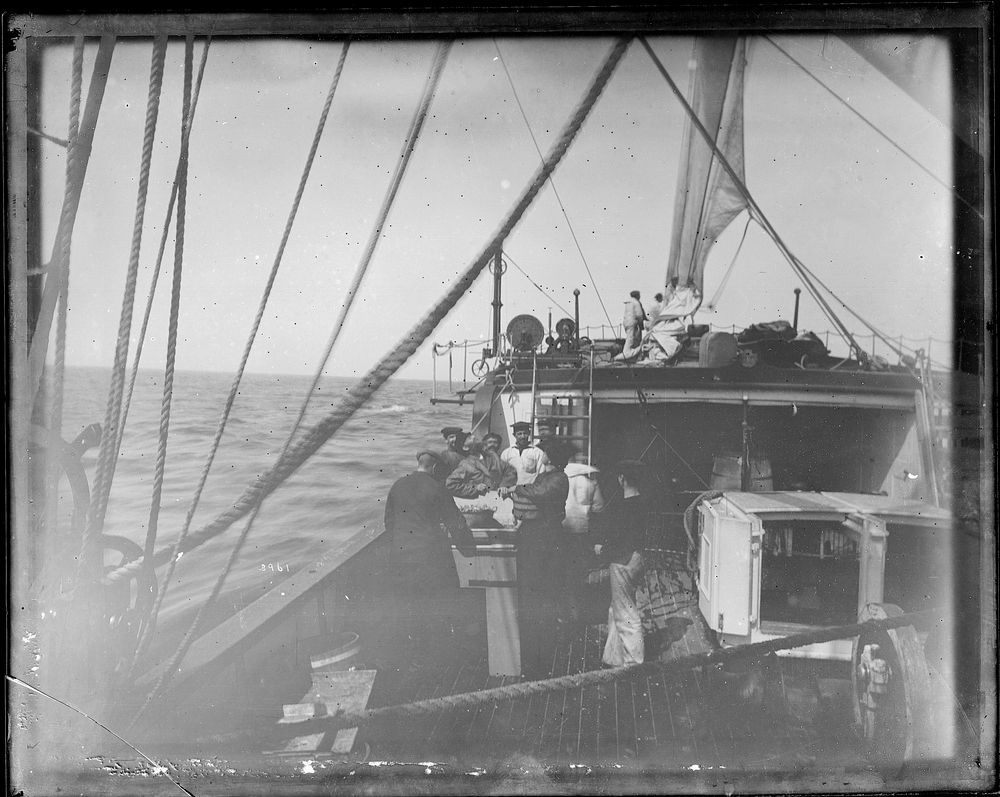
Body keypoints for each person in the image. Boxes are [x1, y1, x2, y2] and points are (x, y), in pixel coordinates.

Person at [381, 451, 476, 668]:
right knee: (438, 608)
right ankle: (438, 661)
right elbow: (456, 523)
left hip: (401, 560)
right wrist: (469, 549)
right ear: (434, 468)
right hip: (430, 562)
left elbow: (389, 523)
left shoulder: (397, 485)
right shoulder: (437, 488)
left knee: (410, 609)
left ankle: (413, 660)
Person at [499, 440, 570, 679]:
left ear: (553, 458)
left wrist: (516, 490)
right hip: (533, 536)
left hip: (545, 538)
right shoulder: (546, 476)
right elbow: (533, 492)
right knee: (532, 594)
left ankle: (542, 659)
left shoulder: (559, 479)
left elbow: (538, 494)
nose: (544, 457)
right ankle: (533, 655)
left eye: (547, 454)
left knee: (542, 594)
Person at [595, 460, 648, 667]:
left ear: (622, 479)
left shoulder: (622, 508)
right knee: (617, 608)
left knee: (626, 613)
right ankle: (614, 655)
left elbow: (618, 539)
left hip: (622, 562)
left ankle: (634, 662)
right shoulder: (642, 503)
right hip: (637, 559)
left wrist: (602, 550)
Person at [560, 455, 606, 623]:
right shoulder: (590, 480)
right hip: (581, 531)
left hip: (561, 528)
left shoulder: (561, 475)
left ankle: (566, 614)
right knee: (578, 572)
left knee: (562, 572)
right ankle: (578, 613)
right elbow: (599, 507)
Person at [445, 440, 517, 498]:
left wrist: (504, 485)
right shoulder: (465, 464)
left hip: (499, 498)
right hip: (479, 501)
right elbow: (450, 484)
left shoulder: (493, 458)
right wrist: (474, 488)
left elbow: (511, 471)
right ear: (465, 448)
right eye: (470, 439)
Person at [622, 290, 646, 358]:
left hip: (626, 322)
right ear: (637, 296)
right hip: (633, 323)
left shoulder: (628, 303)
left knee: (630, 338)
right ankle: (626, 355)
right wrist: (641, 325)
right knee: (632, 339)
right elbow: (639, 315)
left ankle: (632, 355)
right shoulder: (636, 302)